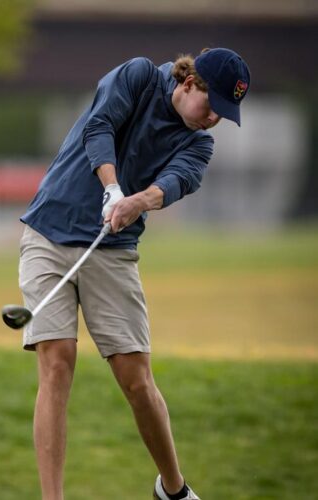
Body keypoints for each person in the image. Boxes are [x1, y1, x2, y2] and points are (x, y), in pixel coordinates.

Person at [18, 48, 250, 500]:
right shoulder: (139, 76)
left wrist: (134, 202)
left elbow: (176, 182)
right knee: (57, 361)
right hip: (49, 232)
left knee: (136, 379)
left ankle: (173, 489)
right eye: (212, 107)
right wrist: (111, 187)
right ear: (189, 84)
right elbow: (99, 126)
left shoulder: (199, 142)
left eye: (224, 114)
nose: (214, 120)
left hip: (112, 249)